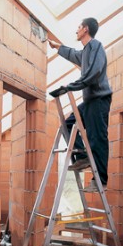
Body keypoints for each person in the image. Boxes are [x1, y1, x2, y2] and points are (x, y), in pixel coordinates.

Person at [48, 17, 112, 192]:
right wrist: (57, 47)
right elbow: (72, 53)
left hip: (99, 99)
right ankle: (82, 156)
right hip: (89, 100)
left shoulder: (96, 46)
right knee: (67, 125)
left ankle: (101, 181)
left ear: (85, 29)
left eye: (78, 27)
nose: (76, 30)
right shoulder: (84, 53)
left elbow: (93, 72)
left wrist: (72, 86)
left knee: (97, 137)